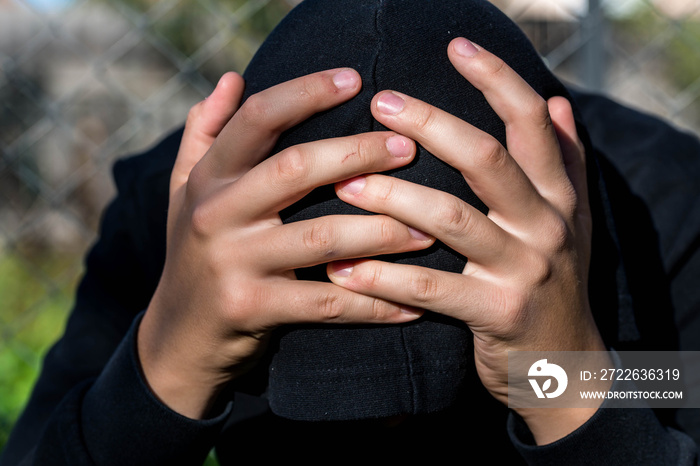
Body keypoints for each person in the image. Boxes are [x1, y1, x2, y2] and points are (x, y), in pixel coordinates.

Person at [1, 0, 699, 464]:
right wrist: (168, 361)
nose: (385, 430)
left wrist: (564, 378)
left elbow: (677, 388)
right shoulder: (187, 216)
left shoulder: (661, 207)